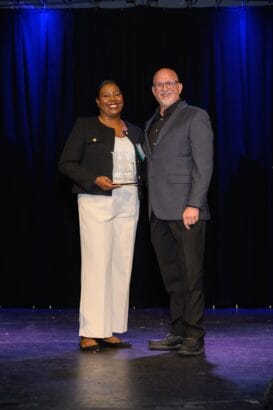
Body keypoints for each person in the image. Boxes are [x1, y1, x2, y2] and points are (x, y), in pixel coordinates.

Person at [59, 80, 145, 351]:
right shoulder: (85, 126)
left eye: (116, 93)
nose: (112, 99)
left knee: (121, 264)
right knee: (97, 265)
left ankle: (109, 328)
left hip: (129, 200)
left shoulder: (134, 131)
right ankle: (90, 330)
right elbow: (66, 163)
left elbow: (144, 163)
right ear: (98, 102)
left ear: (123, 98)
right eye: (106, 95)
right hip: (96, 200)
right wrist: (94, 179)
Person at [144, 68, 213, 356]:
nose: (164, 88)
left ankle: (194, 334)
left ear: (180, 86)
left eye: (170, 83)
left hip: (186, 210)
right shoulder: (152, 122)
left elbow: (204, 163)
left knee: (191, 275)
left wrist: (194, 203)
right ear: (153, 90)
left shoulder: (195, 116)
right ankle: (178, 330)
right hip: (157, 211)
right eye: (159, 84)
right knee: (172, 277)